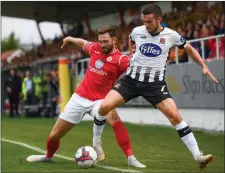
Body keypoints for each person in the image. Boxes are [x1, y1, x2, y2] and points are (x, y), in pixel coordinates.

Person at [93, 4, 218, 169]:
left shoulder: (171, 35)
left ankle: (198, 156)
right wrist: (132, 51)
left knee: (174, 116)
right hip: (131, 80)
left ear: (159, 19)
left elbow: (189, 49)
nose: (146, 25)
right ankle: (96, 143)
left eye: (149, 22)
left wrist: (203, 65)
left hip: (154, 84)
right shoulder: (138, 31)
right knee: (104, 106)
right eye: (144, 21)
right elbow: (132, 40)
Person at [26, 26, 145, 168]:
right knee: (54, 135)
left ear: (114, 40)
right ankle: (48, 156)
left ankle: (131, 158)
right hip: (79, 98)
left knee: (116, 122)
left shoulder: (121, 59)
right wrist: (70, 39)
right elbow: (83, 43)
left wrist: (136, 57)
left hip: (101, 101)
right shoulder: (95, 48)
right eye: (100, 41)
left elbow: (136, 68)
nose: (102, 44)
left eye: (105, 41)